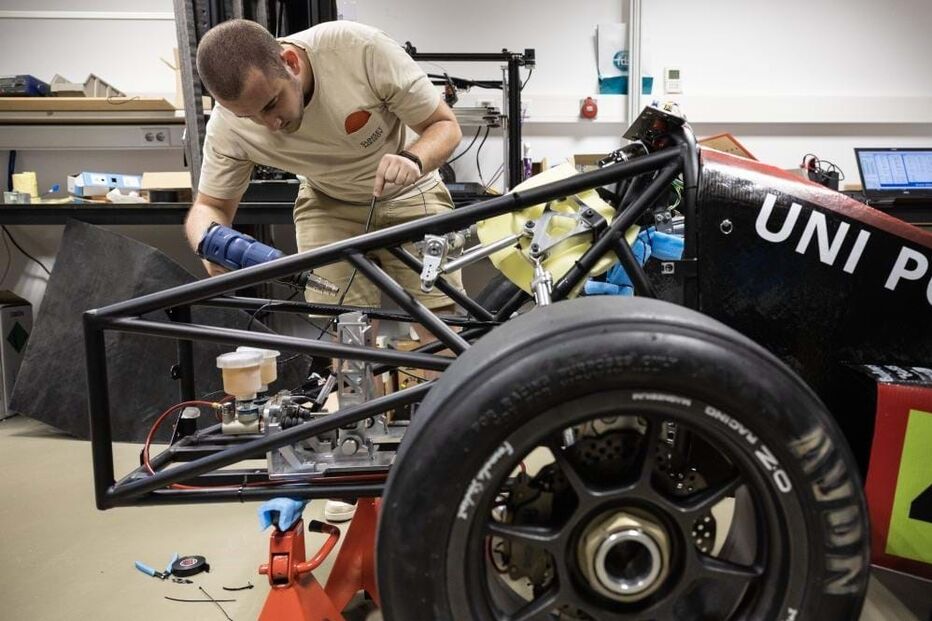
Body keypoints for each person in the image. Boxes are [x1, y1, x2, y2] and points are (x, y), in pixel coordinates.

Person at [186, 18, 464, 522]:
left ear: (291, 63)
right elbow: (208, 208)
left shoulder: (358, 50)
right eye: (251, 116)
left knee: (439, 329)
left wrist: (413, 159)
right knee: (346, 336)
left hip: (409, 186)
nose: (269, 124)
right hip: (328, 201)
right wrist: (213, 243)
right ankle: (354, 462)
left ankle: (448, 461)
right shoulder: (232, 122)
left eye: (272, 104)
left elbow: (445, 126)